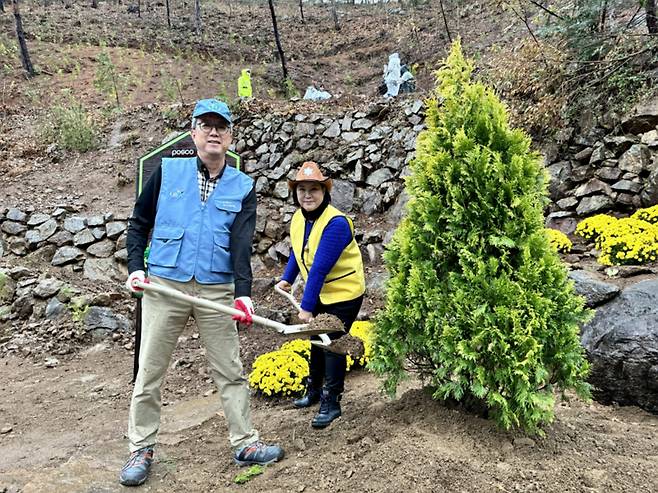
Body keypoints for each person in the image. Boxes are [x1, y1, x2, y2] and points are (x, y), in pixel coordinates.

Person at [120, 98, 284, 486]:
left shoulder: (242, 186)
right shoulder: (167, 172)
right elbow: (137, 224)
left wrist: (243, 294)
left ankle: (245, 442)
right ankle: (140, 448)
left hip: (215, 290)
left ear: (230, 136)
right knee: (150, 372)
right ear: (193, 133)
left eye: (221, 126)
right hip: (165, 287)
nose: (214, 132)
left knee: (230, 369)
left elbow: (242, 244)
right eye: (206, 125)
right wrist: (136, 269)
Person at [276, 161, 365, 429]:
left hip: (344, 293)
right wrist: (286, 278)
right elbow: (298, 250)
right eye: (302, 189)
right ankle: (314, 390)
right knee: (316, 340)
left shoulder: (336, 223)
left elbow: (319, 269)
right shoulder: (299, 217)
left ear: (325, 192)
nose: (307, 195)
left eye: (314, 189)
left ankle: (332, 401)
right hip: (322, 293)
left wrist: (306, 307)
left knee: (333, 343)